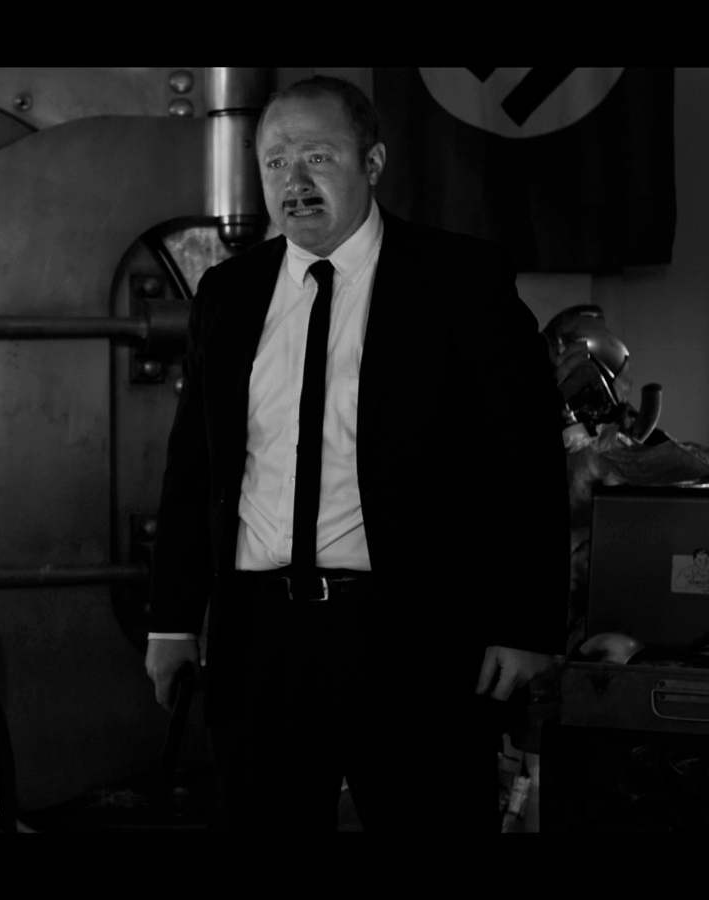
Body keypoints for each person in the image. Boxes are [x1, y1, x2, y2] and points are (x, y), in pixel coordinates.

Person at [144, 75, 570, 832]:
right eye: (276, 162)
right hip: (260, 634)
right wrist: (171, 619)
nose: (295, 182)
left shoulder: (461, 280)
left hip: (409, 631)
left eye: (318, 157)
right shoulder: (228, 293)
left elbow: (525, 464)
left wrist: (526, 625)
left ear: (372, 162)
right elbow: (194, 469)